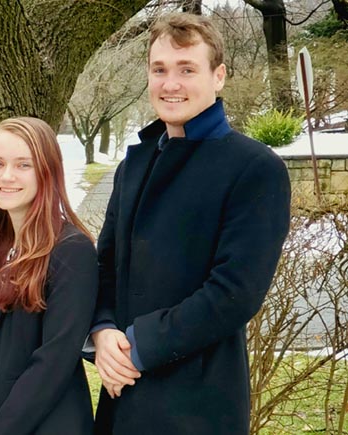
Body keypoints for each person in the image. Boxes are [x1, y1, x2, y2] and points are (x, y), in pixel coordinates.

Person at [88, 13, 291, 435]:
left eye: (186, 70)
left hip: (198, 407)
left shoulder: (255, 168)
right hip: (121, 403)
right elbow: (105, 266)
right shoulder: (133, 166)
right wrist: (103, 332)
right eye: (159, 69)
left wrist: (139, 346)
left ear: (218, 76)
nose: (170, 84)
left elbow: (233, 293)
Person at [0, 117, 97, 435]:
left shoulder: (71, 251)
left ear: (47, 172)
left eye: (23, 165)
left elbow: (54, 362)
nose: (6, 176)